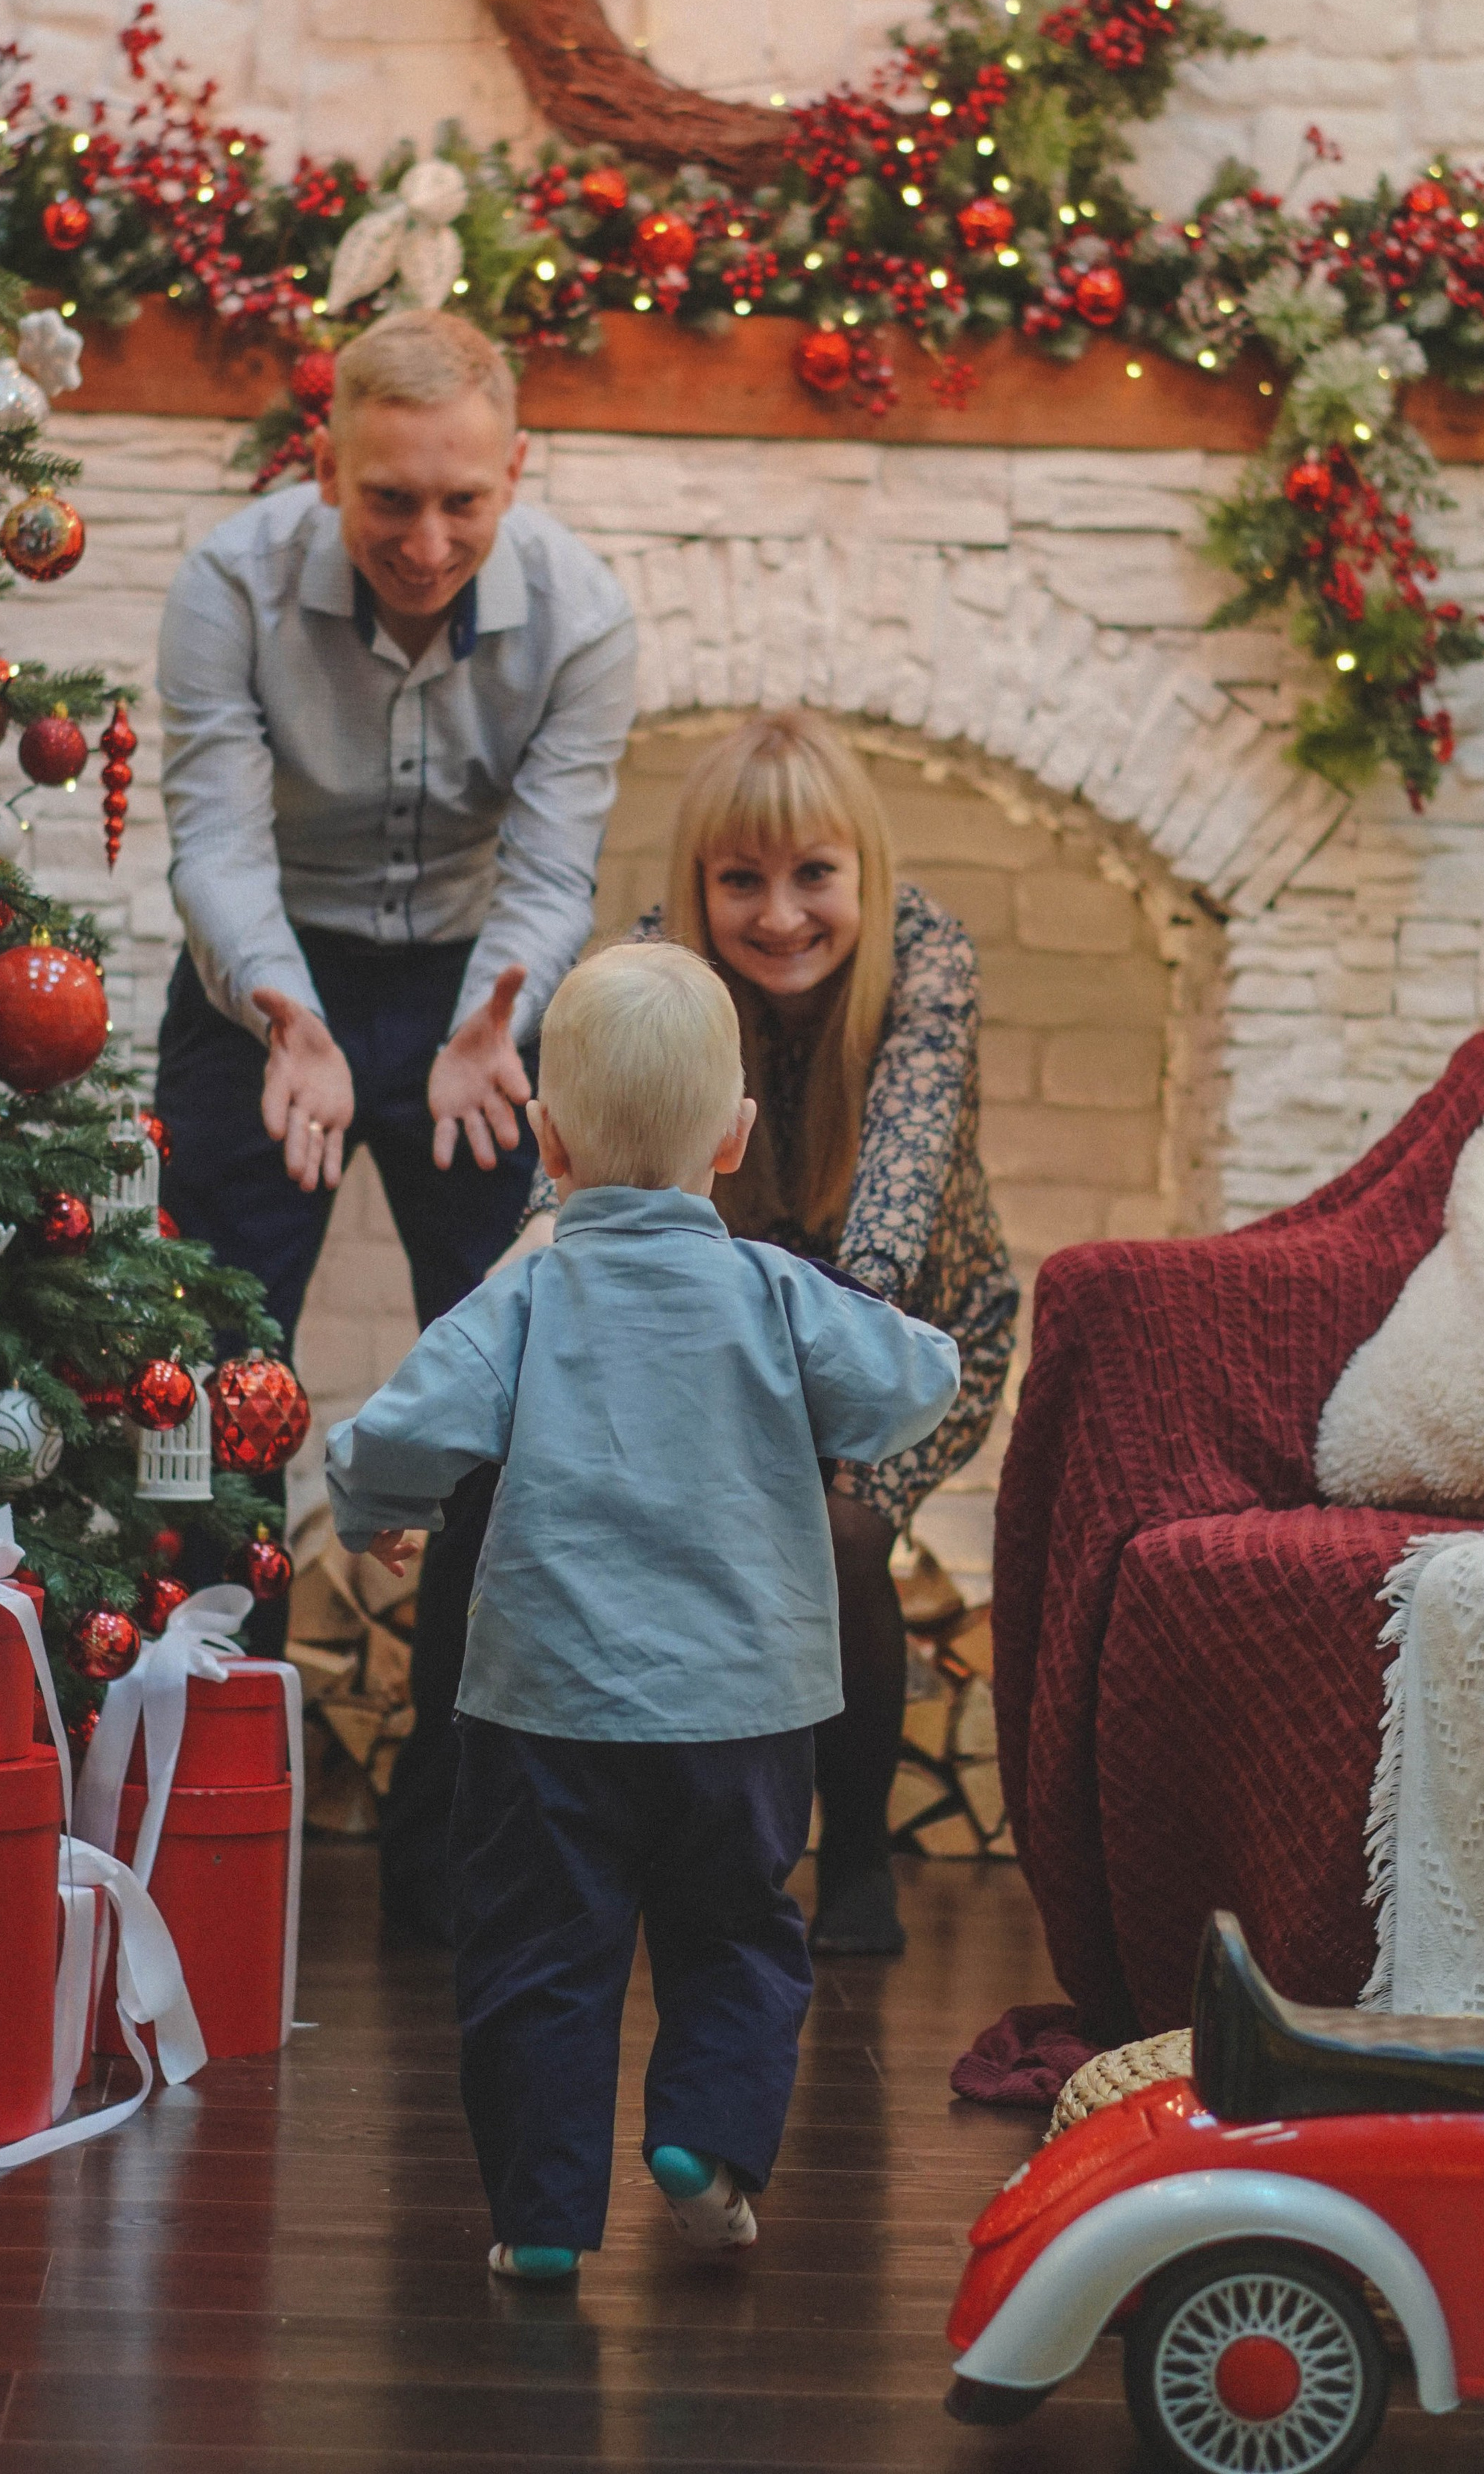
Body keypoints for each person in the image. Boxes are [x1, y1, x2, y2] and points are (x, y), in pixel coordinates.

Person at [326, 942, 959, 2282]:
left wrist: (375, 1503)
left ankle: (544, 2219)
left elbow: (400, 1428)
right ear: (733, 1138)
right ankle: (708, 2145)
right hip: (747, 1708)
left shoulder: (526, 1292)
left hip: (549, 1708)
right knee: (738, 1934)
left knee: (539, 1959)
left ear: (547, 1142)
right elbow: (916, 1383)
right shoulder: (776, 1293)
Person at [153, 308, 637, 1935]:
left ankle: (455, 1820)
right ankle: (205, 1788)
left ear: (515, 473)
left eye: (461, 501)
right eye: (389, 500)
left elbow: (556, 868)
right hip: (263, 980)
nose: (426, 542)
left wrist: (498, 1012)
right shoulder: (227, 585)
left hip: (474, 994)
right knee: (211, 1378)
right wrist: (284, 1016)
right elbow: (215, 839)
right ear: (326, 468)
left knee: (504, 1386)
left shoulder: (584, 613)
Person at [514, 711, 1019, 1956]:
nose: (781, 915)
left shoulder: (928, 961)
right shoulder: (652, 969)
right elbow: (573, 1158)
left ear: (865, 870)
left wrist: (838, 1351)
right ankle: (663, 1847)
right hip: (714, 1330)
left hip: (908, 1321)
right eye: (742, 879)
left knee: (838, 1532)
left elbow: (901, 1177)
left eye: (814, 875)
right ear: (699, 881)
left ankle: (856, 1855)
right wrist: (529, 1268)